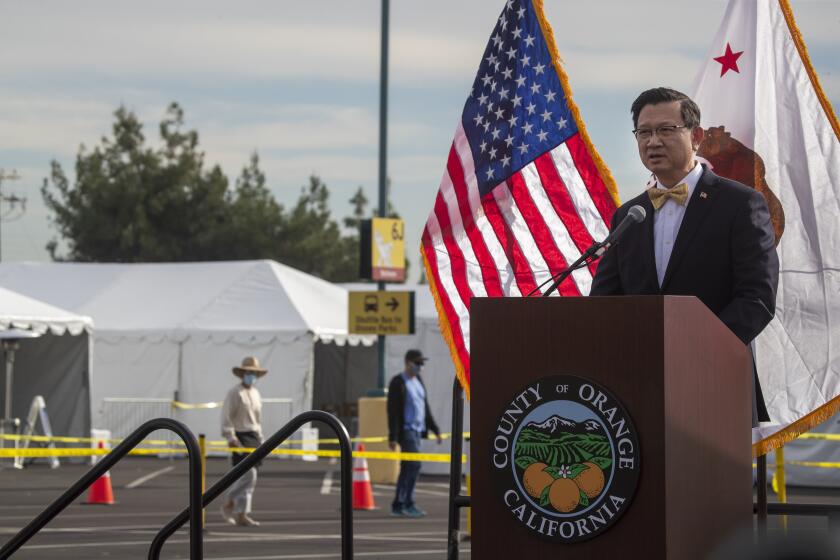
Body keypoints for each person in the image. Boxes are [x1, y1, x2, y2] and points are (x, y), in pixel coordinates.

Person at [590, 87, 779, 425]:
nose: (653, 142)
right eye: (644, 132)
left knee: (709, 480)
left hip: (715, 383)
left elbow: (757, 300)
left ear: (697, 136)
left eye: (666, 130)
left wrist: (691, 351)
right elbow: (604, 302)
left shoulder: (741, 204)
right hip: (638, 390)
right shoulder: (628, 215)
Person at [387, 349, 442, 518]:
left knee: (408, 468)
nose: (420, 366)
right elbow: (393, 411)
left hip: (418, 432)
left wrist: (435, 429)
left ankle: (400, 503)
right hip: (407, 431)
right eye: (417, 363)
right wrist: (393, 437)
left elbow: (424, 408)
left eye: (422, 363)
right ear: (408, 362)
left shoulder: (418, 380)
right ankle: (407, 502)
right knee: (414, 465)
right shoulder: (398, 382)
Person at [219, 356, 266, 527]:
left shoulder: (256, 393)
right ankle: (229, 501)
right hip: (240, 436)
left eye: (253, 373)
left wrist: (261, 438)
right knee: (248, 474)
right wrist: (230, 436)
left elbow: (258, 419)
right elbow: (226, 416)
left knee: (250, 478)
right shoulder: (234, 392)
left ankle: (242, 514)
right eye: (248, 372)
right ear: (242, 374)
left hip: (253, 437)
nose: (251, 375)